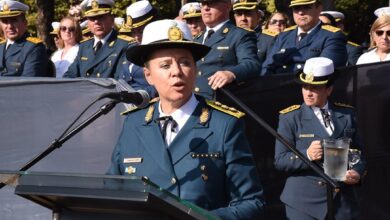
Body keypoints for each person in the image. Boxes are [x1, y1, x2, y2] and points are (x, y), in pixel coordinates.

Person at [107, 19, 265, 220]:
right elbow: (113, 191)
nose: (177, 72)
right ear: (148, 75)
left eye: (185, 62)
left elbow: (251, 202)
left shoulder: (223, 125)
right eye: (165, 65)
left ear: (195, 69)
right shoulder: (134, 123)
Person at [274, 57, 366, 220]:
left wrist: (357, 173)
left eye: (315, 88)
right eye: (305, 87)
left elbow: (358, 152)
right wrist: (307, 155)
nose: (308, 93)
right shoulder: (290, 117)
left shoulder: (347, 114)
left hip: (342, 202)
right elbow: (280, 160)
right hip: (304, 203)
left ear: (329, 89)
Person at [194, 0, 260, 99]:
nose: (206, 8)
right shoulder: (197, 39)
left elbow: (252, 64)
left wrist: (231, 73)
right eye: (203, 4)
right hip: (194, 100)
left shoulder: (239, 35)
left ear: (228, 6)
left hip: (218, 101)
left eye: (211, 3)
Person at [261, 0, 347, 76]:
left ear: (319, 8)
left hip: (308, 89)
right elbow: (267, 67)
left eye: (306, 7)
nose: (301, 12)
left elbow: (322, 74)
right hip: (277, 88)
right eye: (296, 8)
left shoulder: (332, 36)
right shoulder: (283, 36)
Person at [64, 0, 133, 79]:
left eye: (101, 17)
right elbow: (70, 75)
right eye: (92, 18)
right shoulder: (84, 46)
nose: (96, 22)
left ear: (112, 19)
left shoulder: (124, 45)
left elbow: (122, 80)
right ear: (88, 23)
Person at [0, 0, 50, 77]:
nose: (9, 26)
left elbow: (28, 83)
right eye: (5, 21)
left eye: (14, 20)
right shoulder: (1, 46)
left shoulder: (34, 48)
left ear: (25, 23)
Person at [119, 0, 158, 98]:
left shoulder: (160, 50)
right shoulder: (130, 48)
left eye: (140, 31)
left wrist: (139, 95)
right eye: (133, 32)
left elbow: (163, 84)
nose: (136, 37)